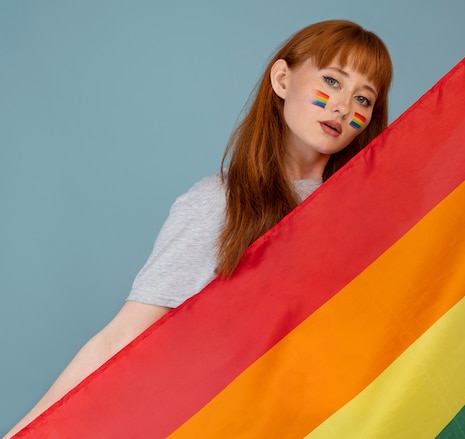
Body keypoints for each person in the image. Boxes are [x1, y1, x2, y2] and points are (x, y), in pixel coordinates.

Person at [4, 19, 393, 438]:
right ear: (282, 79)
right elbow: (125, 335)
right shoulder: (221, 204)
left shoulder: (358, 214)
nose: (343, 106)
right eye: (332, 81)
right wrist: (24, 431)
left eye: (364, 99)